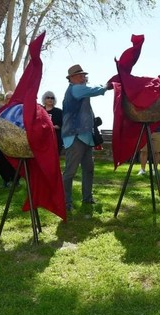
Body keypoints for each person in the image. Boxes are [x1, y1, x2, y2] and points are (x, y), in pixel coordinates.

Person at [62, 64, 112, 211]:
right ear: (71, 78)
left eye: (84, 75)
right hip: (75, 136)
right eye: (80, 75)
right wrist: (107, 86)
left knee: (88, 169)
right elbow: (94, 90)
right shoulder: (76, 89)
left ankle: (87, 198)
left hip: (84, 136)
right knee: (70, 172)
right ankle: (65, 203)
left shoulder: (79, 89)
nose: (83, 77)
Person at [0, 91, 20, 187]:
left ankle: (16, 179)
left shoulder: (18, 110)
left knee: (16, 160)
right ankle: (6, 179)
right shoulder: (0, 111)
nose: (10, 100)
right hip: (2, 139)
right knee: (2, 161)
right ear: (5, 100)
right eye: (8, 98)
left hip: (15, 139)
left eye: (11, 98)